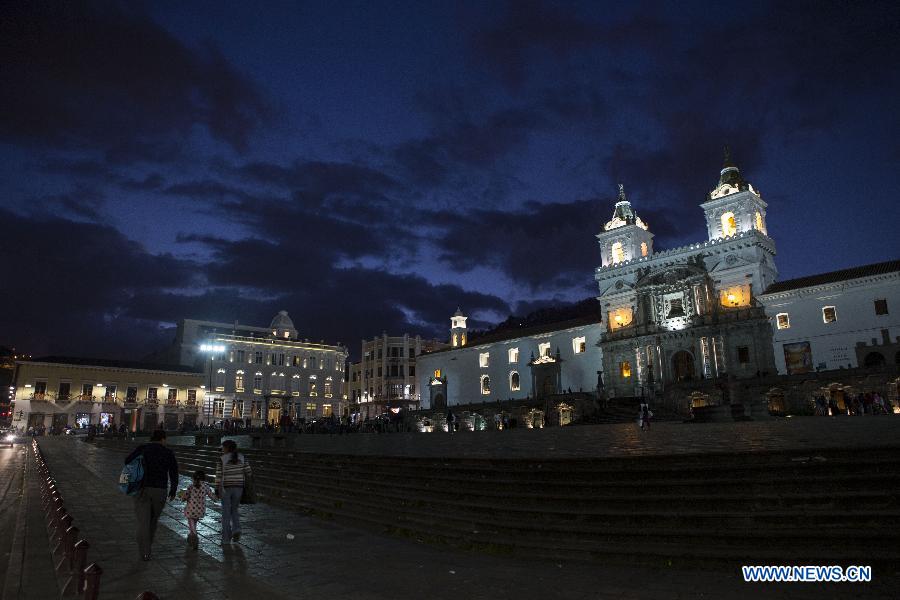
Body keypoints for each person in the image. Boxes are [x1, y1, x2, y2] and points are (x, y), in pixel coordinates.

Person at [124, 429, 179, 561]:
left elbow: (127, 461)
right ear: (163, 439)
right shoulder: (167, 452)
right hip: (159, 490)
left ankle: (144, 550)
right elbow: (174, 472)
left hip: (141, 489)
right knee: (152, 521)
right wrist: (173, 490)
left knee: (143, 522)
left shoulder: (143, 449)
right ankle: (147, 550)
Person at [215, 440, 252, 545]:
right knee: (234, 510)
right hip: (239, 487)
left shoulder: (222, 459)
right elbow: (248, 472)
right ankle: (237, 529)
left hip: (226, 488)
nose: (222, 449)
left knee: (226, 513)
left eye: (223, 447)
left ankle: (226, 539)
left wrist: (217, 488)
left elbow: (218, 476)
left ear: (226, 448)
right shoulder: (242, 457)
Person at [180, 469, 217, 550]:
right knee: (194, 524)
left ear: (194, 478)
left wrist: (182, 497)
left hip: (190, 510)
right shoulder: (206, 486)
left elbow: (185, 497)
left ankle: (194, 537)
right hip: (200, 510)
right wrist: (216, 498)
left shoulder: (191, 486)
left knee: (191, 524)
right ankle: (191, 536)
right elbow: (212, 496)